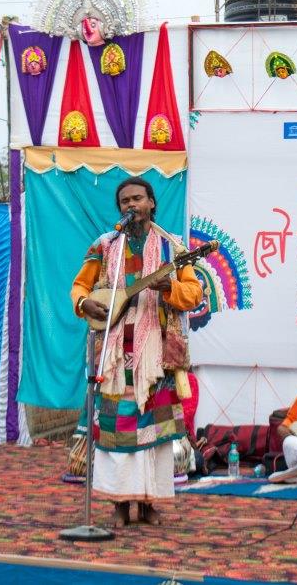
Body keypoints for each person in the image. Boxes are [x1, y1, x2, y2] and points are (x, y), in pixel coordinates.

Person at [71, 176, 203, 528]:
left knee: (155, 433)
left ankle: (147, 505)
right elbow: (80, 286)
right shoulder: (104, 244)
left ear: (152, 203)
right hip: (114, 354)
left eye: (137, 199)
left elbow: (194, 294)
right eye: (125, 201)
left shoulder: (172, 247)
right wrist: (85, 304)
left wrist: (170, 286)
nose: (131, 205)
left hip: (157, 355)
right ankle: (118, 504)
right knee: (116, 429)